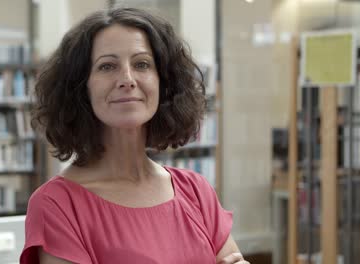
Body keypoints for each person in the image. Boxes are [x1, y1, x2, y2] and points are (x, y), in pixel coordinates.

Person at [20, 7, 249, 264]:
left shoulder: (195, 190)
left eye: (142, 64)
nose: (127, 79)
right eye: (107, 66)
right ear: (80, 88)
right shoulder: (57, 205)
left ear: (163, 83)